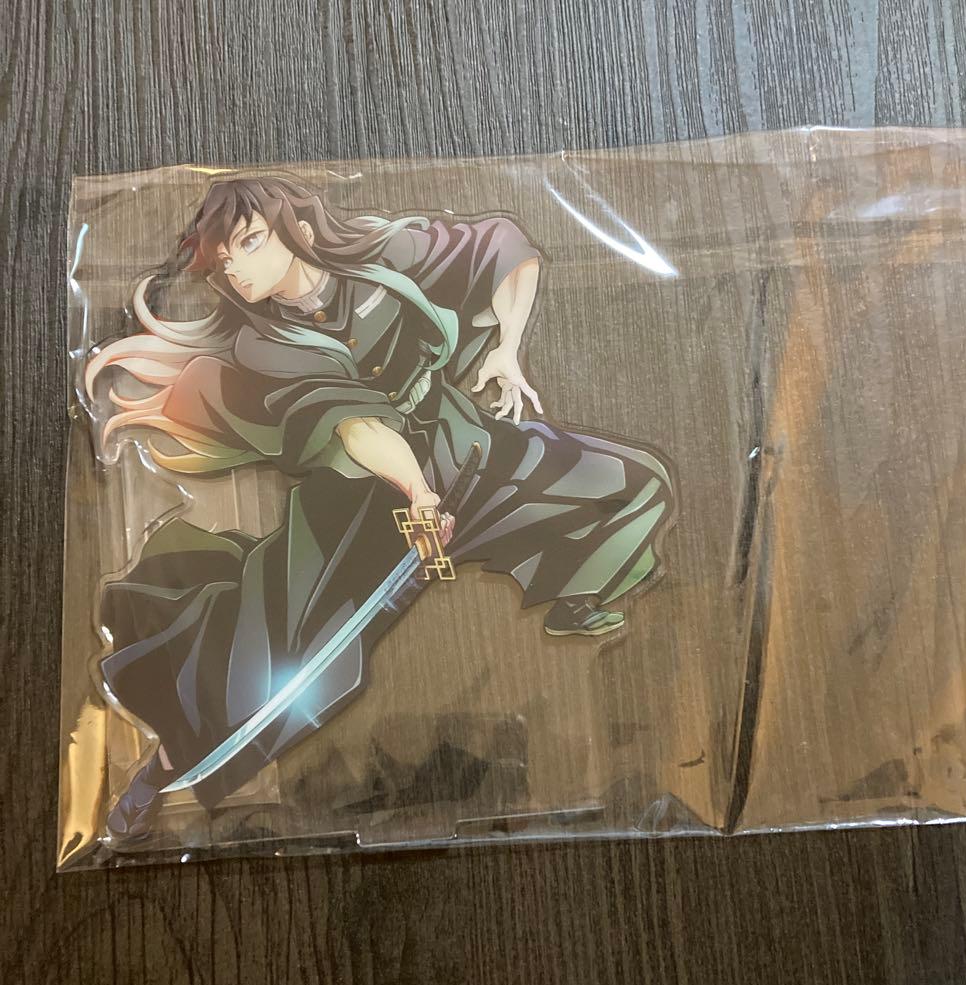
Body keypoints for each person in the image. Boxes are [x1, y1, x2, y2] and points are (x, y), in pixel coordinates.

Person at [86, 176, 673, 842]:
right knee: (291, 662)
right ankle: (161, 769)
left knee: (625, 484)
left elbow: (504, 249)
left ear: (297, 227)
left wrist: (508, 348)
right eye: (224, 262)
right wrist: (418, 493)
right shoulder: (261, 345)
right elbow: (359, 429)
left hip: (458, 442)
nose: (237, 270)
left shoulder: (379, 256)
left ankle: (574, 593)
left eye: (248, 243)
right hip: (357, 500)